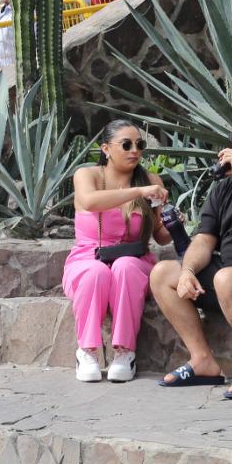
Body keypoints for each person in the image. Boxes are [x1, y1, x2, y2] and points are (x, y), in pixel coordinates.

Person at [150, 112, 232, 399]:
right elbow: (204, 239)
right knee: (163, 273)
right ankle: (203, 361)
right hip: (230, 274)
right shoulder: (224, 187)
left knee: (227, 278)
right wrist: (187, 272)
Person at [65, 120, 170, 384]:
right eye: (126, 144)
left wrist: (173, 221)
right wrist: (137, 192)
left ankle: (125, 352)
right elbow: (89, 202)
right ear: (106, 149)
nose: (134, 150)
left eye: (139, 144)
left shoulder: (151, 181)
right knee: (95, 272)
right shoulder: (88, 175)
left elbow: (161, 237)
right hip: (89, 256)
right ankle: (87, 351)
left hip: (135, 259)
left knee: (125, 266)